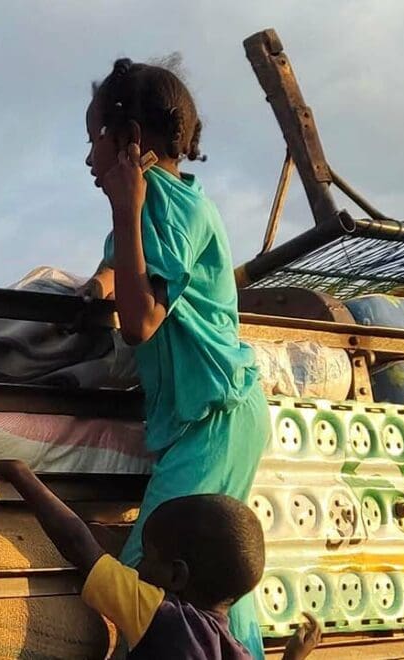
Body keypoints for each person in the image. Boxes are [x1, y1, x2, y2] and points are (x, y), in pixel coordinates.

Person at [83, 57, 272, 657]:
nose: (89, 160)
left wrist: (124, 206)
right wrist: (97, 282)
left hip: (212, 418)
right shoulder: (167, 204)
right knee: (214, 589)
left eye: (95, 142)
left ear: (129, 141)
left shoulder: (160, 203)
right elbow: (125, 276)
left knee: (151, 580)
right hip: (220, 415)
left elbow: (140, 321)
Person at [0, 460, 320, 660]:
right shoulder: (236, 652)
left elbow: (77, 545)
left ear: (176, 576)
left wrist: (19, 475)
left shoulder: (162, 615)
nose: (138, 564)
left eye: (147, 555)